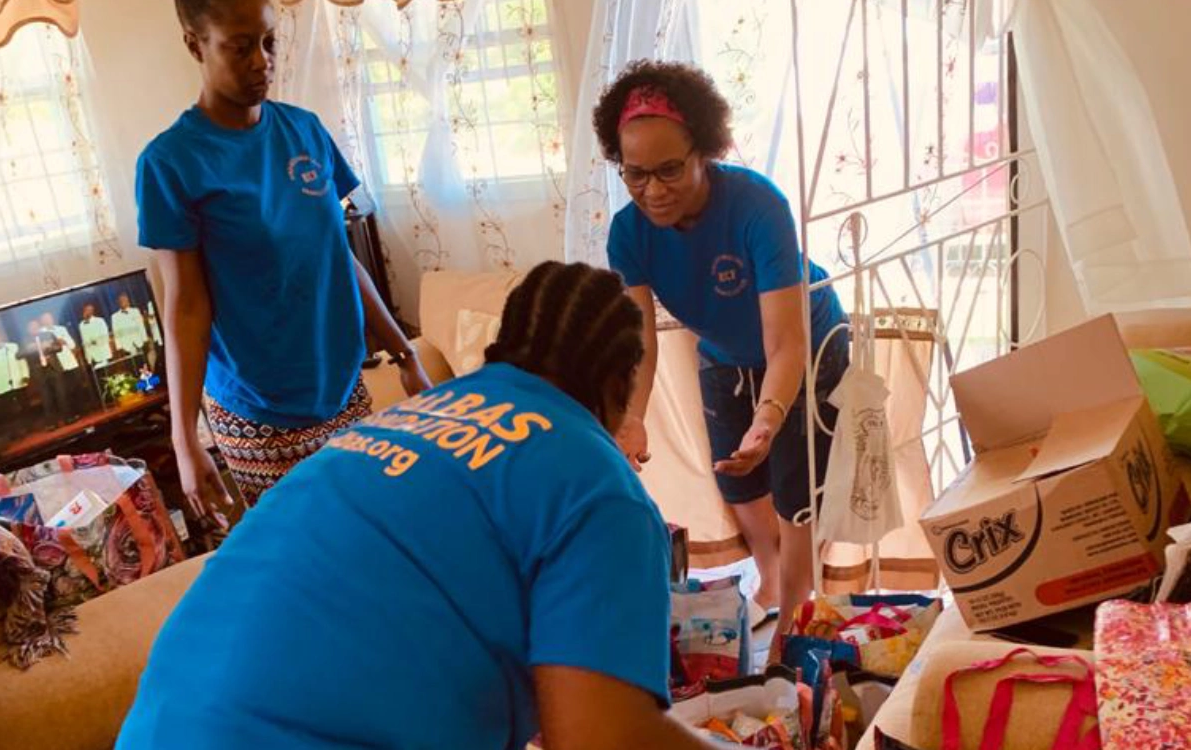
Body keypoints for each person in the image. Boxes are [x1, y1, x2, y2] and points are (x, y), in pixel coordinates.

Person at [118, 262, 721, 750]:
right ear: (620, 388)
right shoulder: (600, 483)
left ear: (502, 348)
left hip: (158, 722)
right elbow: (603, 740)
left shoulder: (403, 418)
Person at [135, 0, 430, 508]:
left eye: (270, 42)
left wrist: (406, 354)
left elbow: (340, 257)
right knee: (306, 561)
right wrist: (183, 441)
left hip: (341, 387)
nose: (262, 61)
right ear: (194, 45)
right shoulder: (171, 163)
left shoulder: (306, 130)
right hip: (259, 411)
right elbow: (185, 305)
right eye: (240, 47)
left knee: (375, 529)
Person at [596, 61, 850, 643]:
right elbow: (640, 341)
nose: (652, 191)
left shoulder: (757, 205)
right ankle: (769, 576)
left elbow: (785, 341)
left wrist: (769, 416)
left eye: (669, 171)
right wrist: (630, 417)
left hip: (806, 348)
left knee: (794, 494)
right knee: (738, 482)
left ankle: (793, 615)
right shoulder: (627, 232)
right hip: (724, 352)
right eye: (635, 175)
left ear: (703, 152)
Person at [78, 304, 114, 369]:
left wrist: (96, 341)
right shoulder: (81, 325)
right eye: (85, 310)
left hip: (102, 354)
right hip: (91, 357)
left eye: (88, 310)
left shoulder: (99, 321)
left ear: (92, 312)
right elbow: (84, 340)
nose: (86, 312)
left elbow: (105, 336)